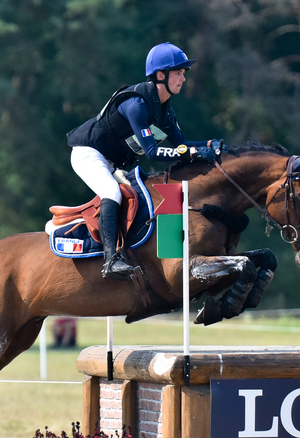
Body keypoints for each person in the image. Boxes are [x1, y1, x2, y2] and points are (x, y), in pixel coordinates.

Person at [67, 42, 224, 279]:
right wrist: (191, 153)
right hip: (88, 153)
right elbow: (152, 153)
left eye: (184, 73)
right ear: (160, 75)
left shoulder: (166, 111)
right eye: (178, 73)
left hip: (112, 162)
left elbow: (181, 145)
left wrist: (207, 146)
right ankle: (111, 259)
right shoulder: (136, 104)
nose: (183, 79)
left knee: (139, 199)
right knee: (112, 192)